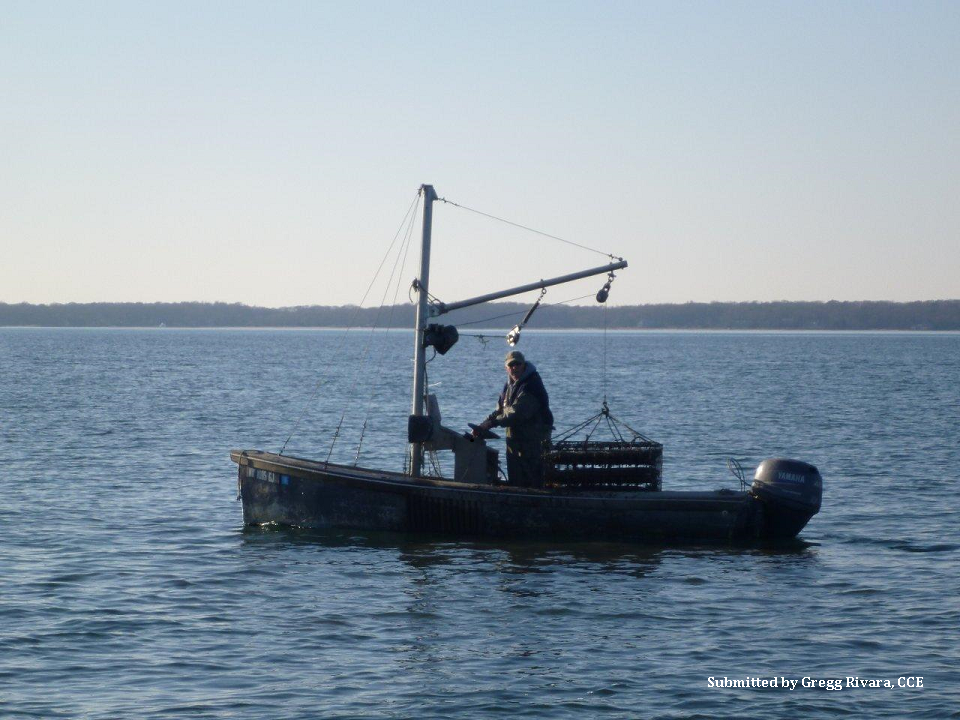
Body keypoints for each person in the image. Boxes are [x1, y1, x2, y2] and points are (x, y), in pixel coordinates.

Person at [473, 350, 554, 487]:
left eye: (517, 364)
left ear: (524, 365)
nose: (514, 367)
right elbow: (500, 410)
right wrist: (483, 424)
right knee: (516, 480)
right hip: (515, 443)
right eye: (511, 365)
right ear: (506, 368)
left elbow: (516, 413)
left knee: (533, 481)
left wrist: (492, 423)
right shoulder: (509, 385)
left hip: (533, 444)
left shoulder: (531, 385)